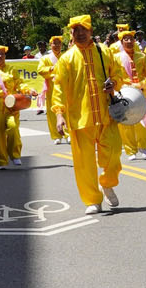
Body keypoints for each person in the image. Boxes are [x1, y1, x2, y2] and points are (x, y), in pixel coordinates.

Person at [53, 15, 124, 215]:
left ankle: (107, 183)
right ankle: (93, 200)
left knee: (114, 155)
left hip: (106, 114)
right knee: (84, 164)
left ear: (91, 31)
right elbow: (58, 88)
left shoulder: (104, 51)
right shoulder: (66, 59)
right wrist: (59, 114)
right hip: (80, 118)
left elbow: (118, 74)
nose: (79, 33)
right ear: (71, 34)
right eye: (75, 30)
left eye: (83, 29)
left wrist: (113, 84)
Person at [112, 30, 146, 160]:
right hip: (124, 93)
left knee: (143, 120)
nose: (129, 41)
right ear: (121, 42)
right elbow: (113, 76)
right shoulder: (116, 58)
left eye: (131, 39)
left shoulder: (141, 56)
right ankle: (130, 150)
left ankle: (143, 146)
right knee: (126, 122)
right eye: (126, 39)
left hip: (140, 93)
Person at [39, 36, 67, 143]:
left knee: (66, 110)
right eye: (54, 43)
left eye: (59, 43)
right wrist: (51, 69)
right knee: (52, 112)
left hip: (65, 87)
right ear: (50, 45)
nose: (56, 45)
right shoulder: (45, 58)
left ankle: (68, 133)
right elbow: (40, 70)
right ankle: (56, 136)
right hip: (51, 88)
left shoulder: (65, 56)